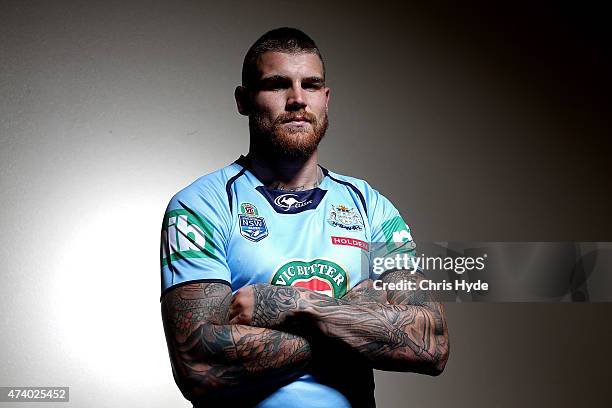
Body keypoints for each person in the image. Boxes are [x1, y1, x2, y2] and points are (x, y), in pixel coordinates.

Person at [160, 27, 449, 408]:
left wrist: (297, 304)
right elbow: (198, 364)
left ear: (325, 98)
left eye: (310, 85)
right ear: (243, 100)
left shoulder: (371, 206)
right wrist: (354, 318)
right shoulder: (202, 205)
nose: (297, 99)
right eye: (277, 85)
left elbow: (431, 344)